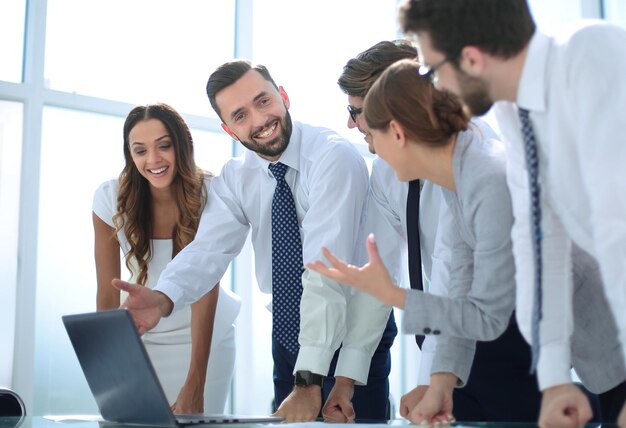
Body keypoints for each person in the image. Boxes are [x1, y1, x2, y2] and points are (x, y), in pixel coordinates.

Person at [111, 61, 396, 422]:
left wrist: (308, 383)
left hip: (352, 330)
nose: (259, 120)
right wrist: (164, 296)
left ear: (284, 96)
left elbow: (326, 272)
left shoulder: (332, 157)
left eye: (264, 101)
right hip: (289, 337)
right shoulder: (237, 177)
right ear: (228, 129)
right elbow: (208, 249)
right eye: (241, 115)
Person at [397, 1, 626, 427]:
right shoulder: (513, 111)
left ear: (471, 58)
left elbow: (618, 227)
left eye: (432, 70)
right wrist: (555, 377)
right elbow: (542, 242)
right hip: (609, 362)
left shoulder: (588, 54)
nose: (438, 86)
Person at [310, 57, 542, 424]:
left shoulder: (485, 170)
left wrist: (394, 297)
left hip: (548, 344)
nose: (358, 130)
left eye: (366, 124)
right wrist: (438, 383)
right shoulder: (450, 177)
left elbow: (482, 311)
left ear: (396, 126)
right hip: (467, 338)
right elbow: (459, 286)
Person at [93, 103, 241, 414]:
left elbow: (205, 285)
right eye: (140, 150)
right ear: (130, 155)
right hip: (144, 330)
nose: (153, 159)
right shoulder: (109, 198)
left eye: (164, 146)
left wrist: (194, 383)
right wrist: (111, 370)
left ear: (182, 145)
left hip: (206, 336)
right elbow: (108, 292)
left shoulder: (211, 193)